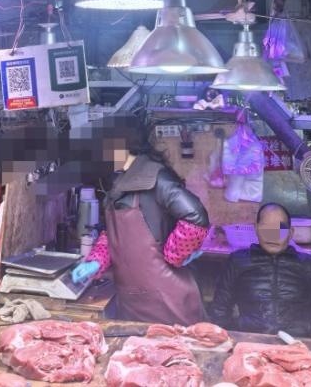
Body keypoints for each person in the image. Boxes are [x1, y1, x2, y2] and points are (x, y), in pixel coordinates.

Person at [70, 120, 210, 325]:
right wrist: (96, 261)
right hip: (133, 300)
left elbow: (196, 217)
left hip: (167, 300)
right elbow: (113, 234)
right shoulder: (119, 182)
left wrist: (175, 254)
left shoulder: (156, 178)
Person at [210, 202, 311, 341]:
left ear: (290, 233)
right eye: (267, 228)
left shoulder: (308, 265)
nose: (273, 235)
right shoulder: (238, 262)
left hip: (300, 346)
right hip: (252, 345)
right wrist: (229, 344)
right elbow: (219, 310)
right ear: (256, 229)